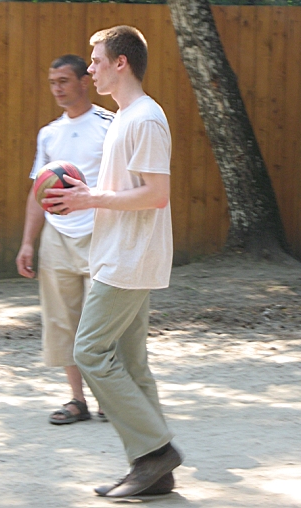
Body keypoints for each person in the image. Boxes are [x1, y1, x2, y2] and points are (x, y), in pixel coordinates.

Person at [42, 26, 183, 498]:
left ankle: (155, 451)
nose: (90, 68)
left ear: (121, 63)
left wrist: (90, 199)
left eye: (97, 60)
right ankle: (154, 470)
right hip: (118, 254)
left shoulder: (145, 119)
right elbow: (128, 190)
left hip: (129, 258)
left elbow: (157, 195)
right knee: (131, 363)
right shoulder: (125, 117)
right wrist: (87, 199)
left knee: (89, 352)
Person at [16, 54, 114, 425]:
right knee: (62, 320)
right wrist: (28, 242)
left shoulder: (110, 126)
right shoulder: (49, 133)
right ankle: (77, 400)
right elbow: (37, 192)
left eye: (64, 81)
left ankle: (110, 398)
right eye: (52, 82)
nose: (57, 89)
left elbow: (128, 182)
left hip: (99, 233)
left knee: (100, 321)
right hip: (57, 236)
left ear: (84, 81)